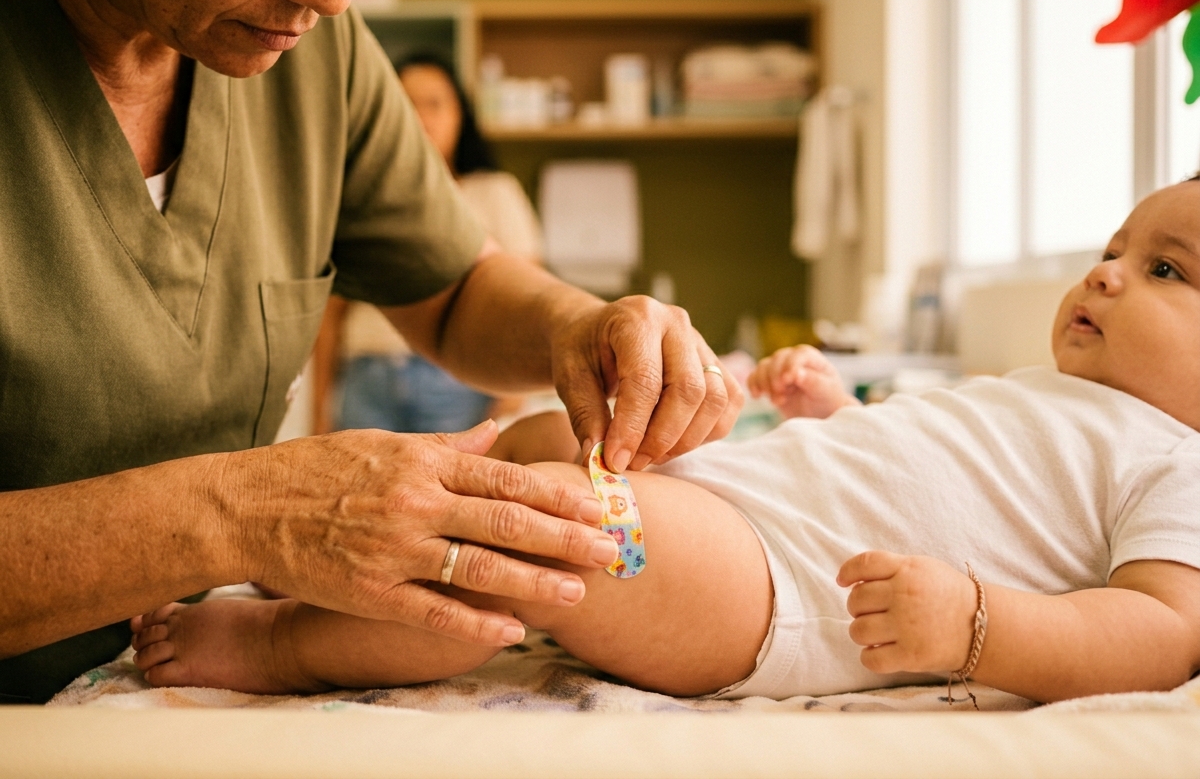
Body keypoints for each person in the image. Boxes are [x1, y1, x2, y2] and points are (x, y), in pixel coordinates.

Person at [0, 0, 742, 704]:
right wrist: (242, 513)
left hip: (164, 675)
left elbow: (454, 287)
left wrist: (577, 324)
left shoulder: (310, 52)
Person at [130, 181, 1200, 704]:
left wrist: (978, 624)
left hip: (781, 588)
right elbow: (933, 475)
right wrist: (833, 413)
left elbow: (1161, 631)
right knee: (551, 434)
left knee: (547, 538)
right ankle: (333, 564)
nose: (1105, 271)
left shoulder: (1178, 463)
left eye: (1166, 270)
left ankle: (283, 645)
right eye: (1114, 247)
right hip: (747, 501)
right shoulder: (1041, 393)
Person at [313, 52, 543, 436]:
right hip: (366, 379)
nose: (421, 118)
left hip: (458, 381)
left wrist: (512, 394)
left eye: (434, 104)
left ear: (460, 115)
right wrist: (320, 409)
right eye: (406, 104)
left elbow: (527, 296)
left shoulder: (494, 193)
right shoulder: (362, 195)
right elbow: (331, 314)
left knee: (455, 495)